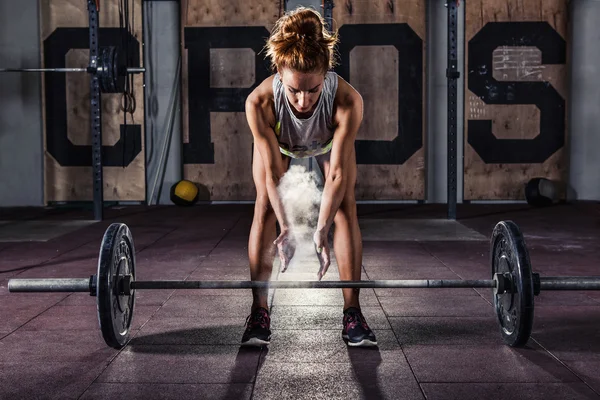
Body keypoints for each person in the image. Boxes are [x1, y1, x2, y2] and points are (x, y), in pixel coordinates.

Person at [241, 6, 377, 348]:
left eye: (313, 90)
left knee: (345, 208)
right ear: (279, 72)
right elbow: (273, 175)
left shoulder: (347, 100)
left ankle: (352, 313)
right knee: (266, 208)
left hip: (327, 141)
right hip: (281, 146)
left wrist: (320, 231)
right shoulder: (260, 103)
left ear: (326, 73)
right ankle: (259, 312)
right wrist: (288, 229)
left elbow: (338, 176)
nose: (303, 101)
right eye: (294, 91)